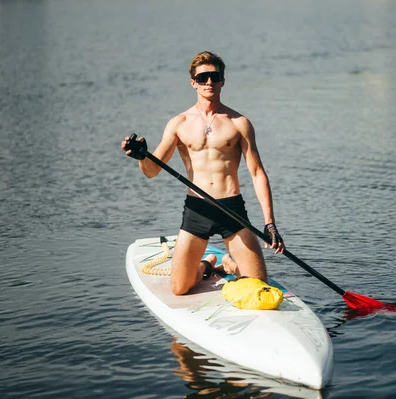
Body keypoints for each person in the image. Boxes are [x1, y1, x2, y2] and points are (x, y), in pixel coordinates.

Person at [121, 51, 284, 295]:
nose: (209, 82)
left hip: (232, 210)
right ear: (193, 82)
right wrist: (141, 156)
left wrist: (270, 223)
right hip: (197, 210)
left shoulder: (239, 123)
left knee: (259, 287)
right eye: (203, 77)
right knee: (179, 289)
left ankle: (229, 264)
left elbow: (257, 173)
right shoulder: (179, 123)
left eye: (214, 76)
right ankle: (206, 266)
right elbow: (152, 171)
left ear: (222, 81)